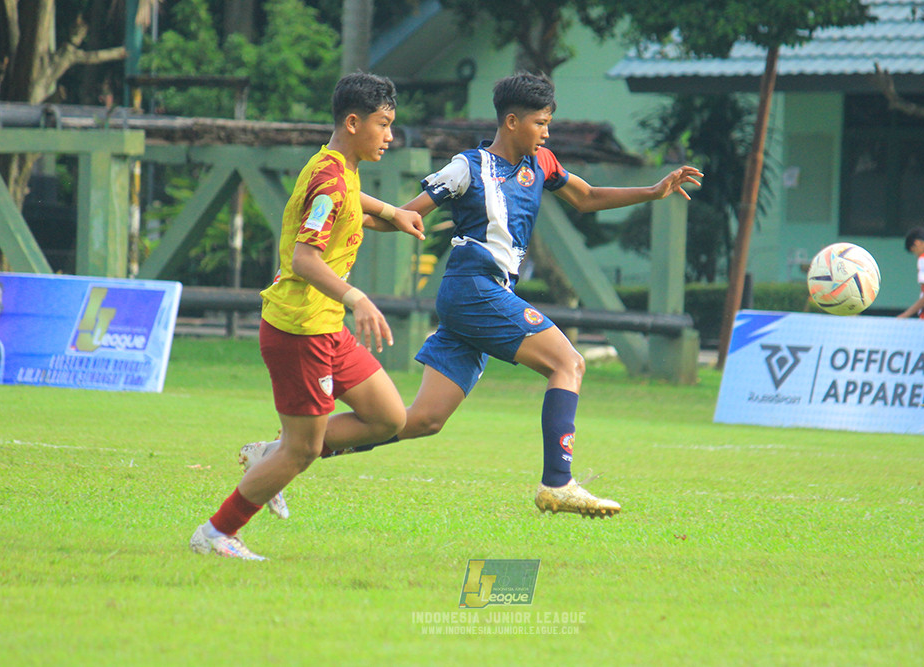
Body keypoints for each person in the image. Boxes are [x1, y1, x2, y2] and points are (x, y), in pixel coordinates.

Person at [303, 72, 701, 518]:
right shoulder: (466, 167)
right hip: (474, 288)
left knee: (424, 420)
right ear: (512, 121)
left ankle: (287, 450)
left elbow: (585, 197)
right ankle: (558, 483)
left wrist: (652, 191)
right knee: (568, 363)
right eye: (540, 123)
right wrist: (342, 202)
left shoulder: (543, 163)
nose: (546, 132)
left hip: (482, 296)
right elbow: (401, 217)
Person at [189, 72, 425, 560]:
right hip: (300, 330)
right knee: (303, 450)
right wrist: (358, 298)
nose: (389, 136)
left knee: (388, 417)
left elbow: (348, 202)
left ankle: (271, 452)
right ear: (354, 122)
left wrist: (391, 212)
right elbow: (304, 259)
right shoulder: (330, 179)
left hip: (325, 326)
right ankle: (216, 532)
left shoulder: (336, 164)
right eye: (383, 125)